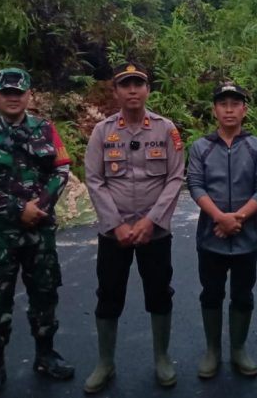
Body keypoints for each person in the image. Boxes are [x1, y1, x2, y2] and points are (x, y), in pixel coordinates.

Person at [0, 68, 75, 398]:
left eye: (19, 92)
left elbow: (62, 167)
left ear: (29, 95)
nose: (13, 97)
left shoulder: (46, 129)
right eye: (6, 92)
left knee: (45, 294)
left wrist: (39, 205)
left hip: (39, 231)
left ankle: (45, 355)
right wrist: (17, 210)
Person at [83, 62, 185, 394]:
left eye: (138, 84)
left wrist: (150, 221)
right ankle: (105, 363)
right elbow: (95, 180)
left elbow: (175, 178)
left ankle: (162, 358)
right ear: (115, 92)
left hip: (154, 233)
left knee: (159, 293)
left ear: (147, 90)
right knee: (109, 295)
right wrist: (115, 224)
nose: (132, 90)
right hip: (115, 235)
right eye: (125, 85)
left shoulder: (166, 129)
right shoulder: (102, 132)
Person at [186, 81, 257, 379]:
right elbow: (195, 186)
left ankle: (239, 349)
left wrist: (237, 218)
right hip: (210, 237)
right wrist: (219, 218)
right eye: (223, 104)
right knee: (211, 293)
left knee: (243, 293)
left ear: (244, 110)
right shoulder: (201, 147)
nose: (229, 109)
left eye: (235, 104)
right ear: (214, 110)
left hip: (247, 238)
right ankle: (213, 350)